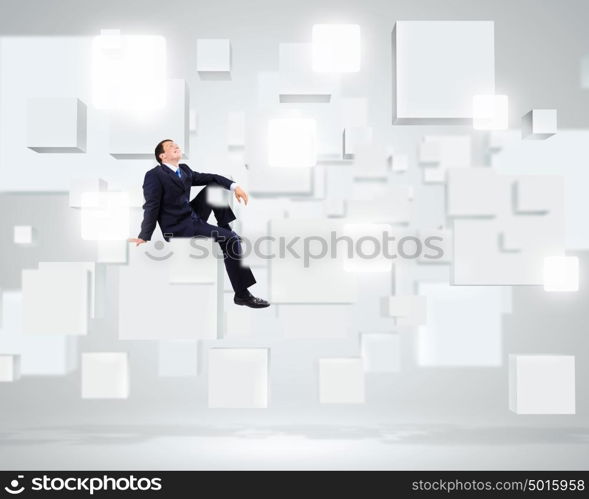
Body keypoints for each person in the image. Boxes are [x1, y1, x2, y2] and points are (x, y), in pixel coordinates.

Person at [127, 139, 270, 308]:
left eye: (176, 145)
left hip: (192, 216)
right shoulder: (154, 175)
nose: (176, 146)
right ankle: (242, 295)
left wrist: (234, 187)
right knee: (231, 240)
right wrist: (145, 235)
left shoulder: (185, 170)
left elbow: (213, 177)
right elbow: (151, 206)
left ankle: (225, 229)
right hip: (177, 228)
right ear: (162, 156)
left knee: (214, 186)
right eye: (170, 146)